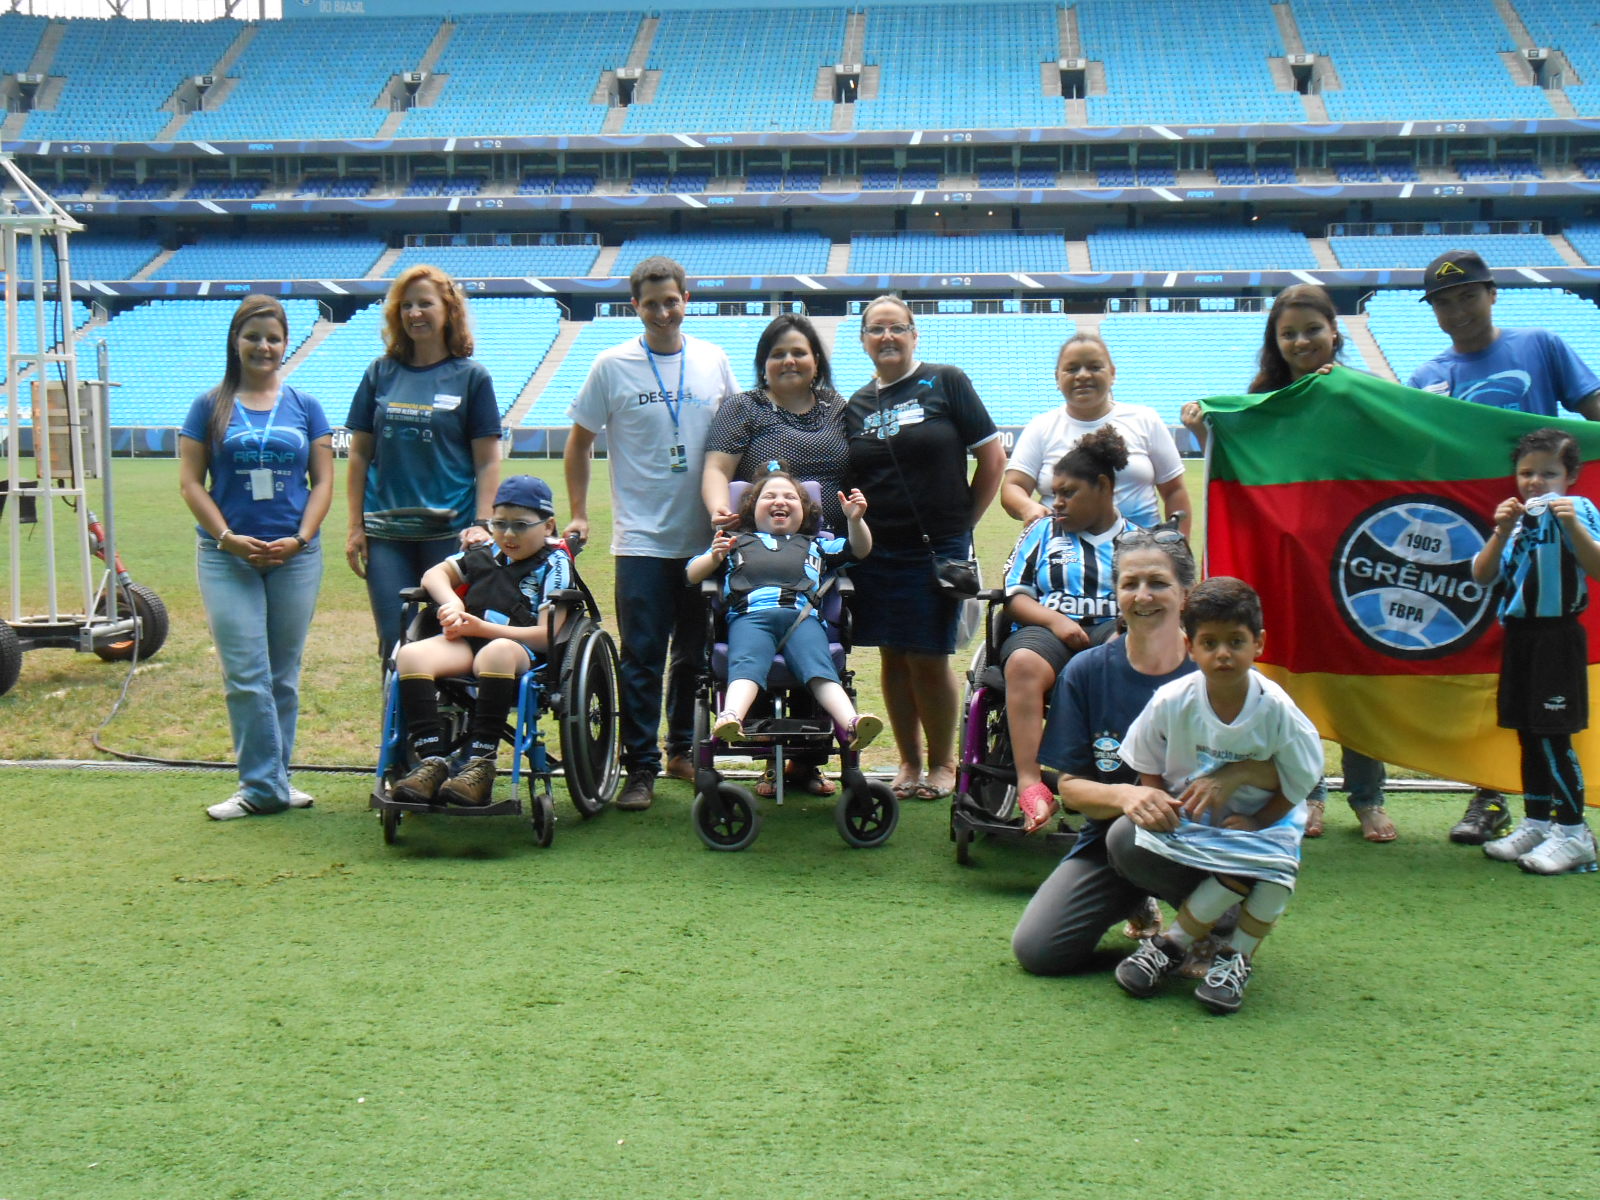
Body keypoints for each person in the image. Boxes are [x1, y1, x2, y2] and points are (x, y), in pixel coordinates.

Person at [1182, 283, 1396, 842]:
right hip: (1287, 566)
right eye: (1289, 333)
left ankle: (1368, 798)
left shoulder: (1365, 394)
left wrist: (1348, 397)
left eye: (1311, 330)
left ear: (1334, 333)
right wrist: (1205, 426)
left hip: (1352, 560)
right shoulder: (1263, 401)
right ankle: (1309, 794)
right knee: (1295, 682)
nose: (1302, 341)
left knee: (1354, 678)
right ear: (1274, 342)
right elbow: (1228, 456)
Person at [1013, 528, 1272, 976]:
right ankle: (1140, 897)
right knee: (1038, 951)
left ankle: (1219, 929)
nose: (1143, 595)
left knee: (1128, 835)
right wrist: (1126, 797)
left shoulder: (1221, 672)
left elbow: (1274, 772)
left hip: (1214, 845)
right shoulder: (1086, 671)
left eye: (1158, 583)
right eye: (1130, 584)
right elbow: (1071, 790)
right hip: (1113, 845)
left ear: (1186, 593)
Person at [1408, 249, 1600, 845]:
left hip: (1549, 548)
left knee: (1543, 682)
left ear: (1493, 294)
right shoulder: (1424, 380)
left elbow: (1594, 411)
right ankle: (1493, 799)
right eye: (1443, 301)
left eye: (1467, 295)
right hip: (1480, 539)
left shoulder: (1540, 345)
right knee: (1488, 675)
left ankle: (1555, 819)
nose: (1457, 310)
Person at [564, 256, 738, 812]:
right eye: (651, 303)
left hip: (705, 539)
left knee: (695, 655)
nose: (663, 312)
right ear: (634, 306)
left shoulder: (713, 360)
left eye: (672, 300)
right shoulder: (611, 366)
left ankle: (679, 751)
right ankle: (638, 766)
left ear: (687, 298)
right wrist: (579, 513)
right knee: (641, 655)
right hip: (640, 539)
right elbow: (578, 443)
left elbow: (741, 432)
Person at [1110, 577, 1323, 1014]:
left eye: (1236, 641)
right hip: (1192, 822)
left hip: (1262, 823)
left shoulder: (1278, 711)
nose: (1223, 653)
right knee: (1126, 837)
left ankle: (1227, 957)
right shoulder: (1173, 699)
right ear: (1189, 645)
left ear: (1259, 643)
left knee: (1274, 876)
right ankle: (1179, 943)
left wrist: (1260, 821)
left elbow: (1299, 781)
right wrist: (1156, 801)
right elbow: (1145, 759)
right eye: (1209, 642)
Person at [843, 295, 1006, 801]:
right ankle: (909, 762)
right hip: (877, 548)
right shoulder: (856, 405)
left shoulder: (946, 381)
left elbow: (992, 459)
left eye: (897, 328)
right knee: (892, 656)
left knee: (929, 656)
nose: (886, 337)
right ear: (864, 340)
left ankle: (943, 764)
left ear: (915, 334)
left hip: (935, 548)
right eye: (876, 329)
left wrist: (962, 524)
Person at [178, 295, 333, 821]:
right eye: (253, 336)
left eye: (273, 338)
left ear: (286, 344)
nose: (263, 346)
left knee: (283, 676)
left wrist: (302, 539)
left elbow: (324, 481)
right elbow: (190, 485)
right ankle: (259, 786)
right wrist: (226, 538)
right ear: (235, 341)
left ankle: (274, 780)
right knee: (247, 672)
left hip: (295, 555)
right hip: (227, 556)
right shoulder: (208, 405)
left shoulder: (306, 406)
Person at [701, 313, 852, 798]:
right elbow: (716, 469)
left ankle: (806, 765)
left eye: (799, 352)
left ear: (816, 361)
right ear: (763, 363)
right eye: (778, 353)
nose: (789, 361)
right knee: (760, 643)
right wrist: (722, 516)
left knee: (813, 642)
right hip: (759, 546)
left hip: (819, 551)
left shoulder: (837, 408)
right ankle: (772, 759)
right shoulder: (743, 407)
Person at [345, 264, 502, 663]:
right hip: (387, 535)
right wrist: (355, 526)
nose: (415, 313)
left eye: (425, 304)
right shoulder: (379, 373)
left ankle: (443, 726)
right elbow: (359, 453)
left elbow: (487, 461)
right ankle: (397, 726)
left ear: (448, 310)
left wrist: (482, 525)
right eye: (407, 305)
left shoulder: (472, 377)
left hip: (450, 533)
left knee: (447, 638)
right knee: (394, 643)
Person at [389, 476, 573, 808]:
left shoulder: (555, 564)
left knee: (497, 653)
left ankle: (480, 764)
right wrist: (452, 604)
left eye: (520, 525)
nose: (508, 534)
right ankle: (431, 762)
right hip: (468, 639)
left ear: (548, 526)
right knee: (411, 655)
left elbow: (548, 635)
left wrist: (485, 630)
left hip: (519, 648)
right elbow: (434, 575)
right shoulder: (486, 551)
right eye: (499, 524)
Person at [1467, 428, 1600, 875]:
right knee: (1527, 731)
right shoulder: (1517, 519)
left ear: (1570, 476)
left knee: (1552, 734)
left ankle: (1575, 833)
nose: (1535, 482)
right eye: (1526, 473)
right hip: (1521, 637)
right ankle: (1539, 822)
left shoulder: (1578, 509)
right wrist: (1501, 531)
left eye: (1548, 473)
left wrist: (1572, 526)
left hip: (1558, 636)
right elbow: (1483, 575)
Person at [686, 470, 882, 751]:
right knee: (747, 667)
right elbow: (692, 574)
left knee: (820, 671)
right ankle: (731, 718)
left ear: (805, 511)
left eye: (790, 497)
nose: (780, 501)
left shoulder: (819, 545)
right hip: (750, 618)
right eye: (770, 496)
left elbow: (859, 550)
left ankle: (852, 723)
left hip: (803, 619)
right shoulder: (732, 542)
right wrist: (713, 556)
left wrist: (855, 520)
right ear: (752, 510)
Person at [1004, 427, 1135, 833]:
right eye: (1053, 492)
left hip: (1111, 630)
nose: (1055, 502)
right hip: (1047, 629)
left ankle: (1111, 779)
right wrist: (1055, 621)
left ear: (1103, 487)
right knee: (1023, 663)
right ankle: (1031, 783)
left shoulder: (1136, 541)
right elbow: (1015, 596)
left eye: (1067, 492)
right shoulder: (1042, 531)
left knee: (1125, 657)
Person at [1002, 332, 1190, 534]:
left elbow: (1174, 491)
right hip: (1063, 554)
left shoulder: (1145, 420)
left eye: (1094, 367)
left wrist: (1178, 548)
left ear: (1112, 373)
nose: (1082, 375)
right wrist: (1028, 507)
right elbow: (1013, 487)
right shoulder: (1041, 427)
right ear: (1057, 377)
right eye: (1072, 368)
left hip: (1140, 555)